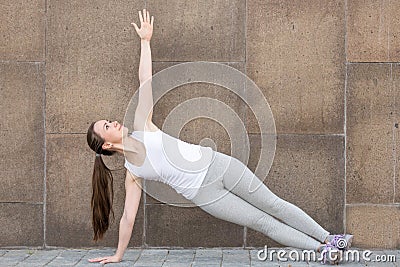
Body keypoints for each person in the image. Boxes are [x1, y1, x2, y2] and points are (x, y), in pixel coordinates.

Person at [86, 9, 353, 265]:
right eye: (107, 126)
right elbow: (127, 219)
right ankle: (323, 250)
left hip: (219, 165)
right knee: (262, 222)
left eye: (109, 121)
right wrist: (118, 255)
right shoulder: (133, 173)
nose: (114, 122)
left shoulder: (143, 126)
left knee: (274, 204)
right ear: (107, 144)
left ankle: (331, 238)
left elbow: (145, 80)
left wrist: (146, 42)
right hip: (206, 194)